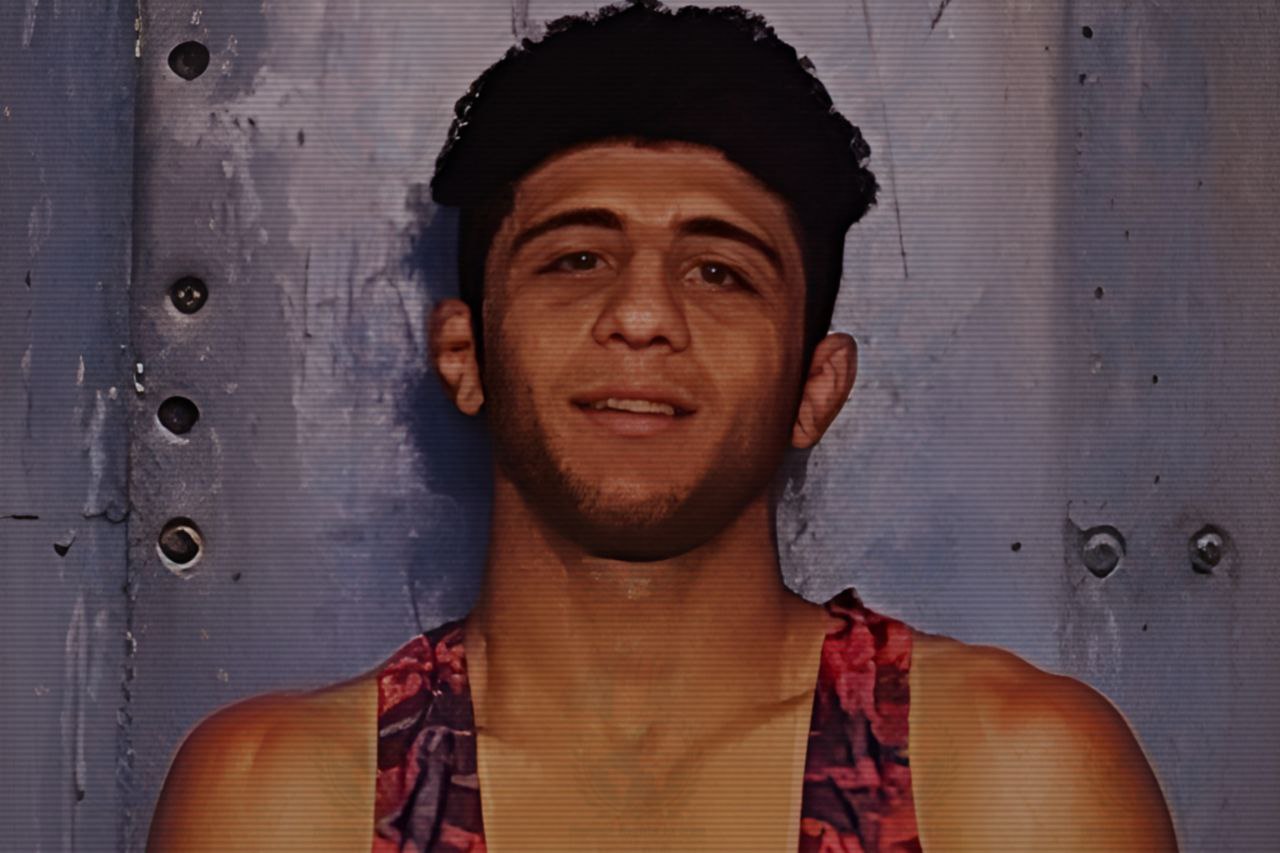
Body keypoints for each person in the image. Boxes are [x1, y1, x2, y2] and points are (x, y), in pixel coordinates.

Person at [146, 3, 1179, 851]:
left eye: (719, 271)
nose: (642, 315)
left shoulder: (1009, 783)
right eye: (576, 259)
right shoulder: (284, 802)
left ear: (815, 386)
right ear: (464, 353)